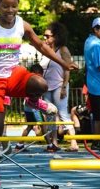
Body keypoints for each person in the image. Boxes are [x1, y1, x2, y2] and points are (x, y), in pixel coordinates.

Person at [0, 0, 78, 189]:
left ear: (18, 5)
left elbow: (42, 46)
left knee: (40, 83)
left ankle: (34, 101)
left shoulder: (22, 25)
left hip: (13, 74)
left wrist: (64, 63)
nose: (10, 10)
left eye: (13, 6)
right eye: (5, 6)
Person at [40, 21, 79, 152]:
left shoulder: (63, 50)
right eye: (44, 36)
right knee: (50, 116)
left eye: (47, 36)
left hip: (58, 86)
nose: (45, 38)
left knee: (63, 114)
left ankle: (73, 142)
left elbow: (67, 68)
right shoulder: (46, 51)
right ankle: (54, 143)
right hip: (47, 87)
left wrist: (64, 86)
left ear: (56, 36)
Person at [15, 64, 52, 152]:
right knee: (43, 125)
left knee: (30, 126)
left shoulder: (28, 81)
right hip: (34, 108)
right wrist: (42, 105)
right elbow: (33, 97)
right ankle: (50, 145)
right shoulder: (33, 83)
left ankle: (19, 144)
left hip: (29, 108)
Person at [84, 17, 100, 151]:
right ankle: (97, 141)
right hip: (98, 85)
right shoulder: (97, 45)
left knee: (97, 115)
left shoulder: (89, 41)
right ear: (95, 29)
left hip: (93, 83)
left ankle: (96, 141)